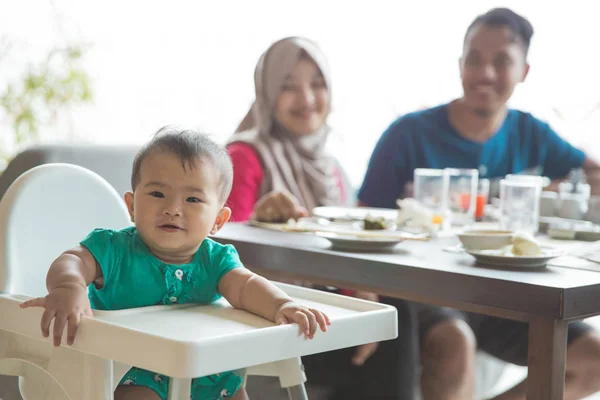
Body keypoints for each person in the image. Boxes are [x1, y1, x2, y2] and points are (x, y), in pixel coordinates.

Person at [358, 8, 600, 400]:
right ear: (459, 65)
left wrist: (546, 189)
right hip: (428, 294)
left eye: (501, 61)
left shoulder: (530, 132)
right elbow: (362, 218)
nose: (485, 73)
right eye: (474, 59)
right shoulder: (408, 134)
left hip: (509, 297)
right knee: (454, 343)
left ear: (524, 71)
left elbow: (593, 175)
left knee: (593, 359)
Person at [20, 127, 330, 400]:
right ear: (131, 205)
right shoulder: (114, 249)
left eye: (193, 200)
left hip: (208, 374)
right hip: (133, 372)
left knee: (235, 391)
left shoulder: (216, 260)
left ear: (218, 221)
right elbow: (73, 260)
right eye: (157, 193)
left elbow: (246, 285)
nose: (173, 209)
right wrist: (69, 286)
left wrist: (281, 305)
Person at [227, 37, 418, 399]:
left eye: (317, 85)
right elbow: (216, 243)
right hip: (266, 315)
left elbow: (334, 246)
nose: (307, 99)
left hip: (313, 308)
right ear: (267, 93)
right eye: (288, 87)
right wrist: (258, 217)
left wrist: (361, 292)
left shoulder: (328, 166)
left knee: (391, 314)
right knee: (398, 321)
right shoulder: (244, 155)